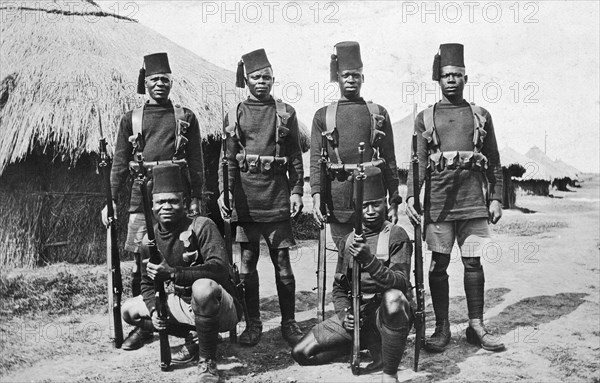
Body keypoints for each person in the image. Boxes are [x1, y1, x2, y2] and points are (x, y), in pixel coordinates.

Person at [405, 43, 505, 353]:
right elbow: (417, 163)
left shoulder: (481, 115)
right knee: (439, 265)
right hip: (438, 205)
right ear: (438, 78)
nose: (451, 80)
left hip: (473, 202)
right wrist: (411, 196)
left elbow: (495, 161)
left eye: (457, 75)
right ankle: (442, 328)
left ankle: (476, 325)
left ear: (465, 77)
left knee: (473, 263)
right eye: (446, 75)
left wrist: (496, 198)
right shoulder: (426, 117)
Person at [102, 52, 205, 350]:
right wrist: (111, 200)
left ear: (172, 82)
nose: (160, 84)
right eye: (154, 79)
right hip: (142, 197)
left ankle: (188, 320)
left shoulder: (185, 117)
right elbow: (120, 164)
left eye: (165, 79)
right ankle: (146, 324)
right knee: (140, 262)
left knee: (184, 255)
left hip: (177, 196)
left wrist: (198, 196)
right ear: (145, 83)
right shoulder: (131, 119)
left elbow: (197, 162)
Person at [120, 163, 241, 383]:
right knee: (128, 311)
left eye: (173, 201)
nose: (166, 206)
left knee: (202, 287)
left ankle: (207, 361)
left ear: (184, 203)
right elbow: (147, 283)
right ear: (153, 206)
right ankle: (194, 336)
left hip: (221, 306)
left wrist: (174, 273)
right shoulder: (150, 239)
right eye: (160, 202)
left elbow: (220, 271)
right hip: (185, 305)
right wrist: (154, 309)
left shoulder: (202, 226)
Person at [292, 167, 413, 383]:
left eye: (376, 204)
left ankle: (389, 372)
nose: (370, 211)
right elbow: (339, 286)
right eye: (364, 206)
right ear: (356, 208)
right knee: (302, 353)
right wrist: (343, 314)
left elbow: (401, 284)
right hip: (358, 314)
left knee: (393, 299)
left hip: (385, 315)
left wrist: (370, 261)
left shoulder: (396, 235)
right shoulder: (348, 240)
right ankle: (360, 343)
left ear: (385, 203)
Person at [218, 48, 304, 347]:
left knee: (283, 262)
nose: (261, 82)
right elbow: (227, 159)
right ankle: (253, 323)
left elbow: (294, 155)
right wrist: (224, 192)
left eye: (266, 77)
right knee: (247, 263)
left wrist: (297, 191)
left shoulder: (286, 112)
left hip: (277, 198)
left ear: (273, 79)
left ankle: (289, 323)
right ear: (246, 78)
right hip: (245, 199)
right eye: (255, 77)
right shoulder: (235, 113)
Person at [310, 41, 401, 249]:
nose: (351, 80)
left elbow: (390, 160)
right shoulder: (323, 116)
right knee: (345, 260)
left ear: (363, 78)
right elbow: (316, 161)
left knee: (373, 261)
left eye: (356, 75)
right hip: (338, 202)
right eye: (345, 75)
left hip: (373, 203)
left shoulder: (378, 113)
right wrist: (317, 198)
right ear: (338, 78)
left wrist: (394, 200)